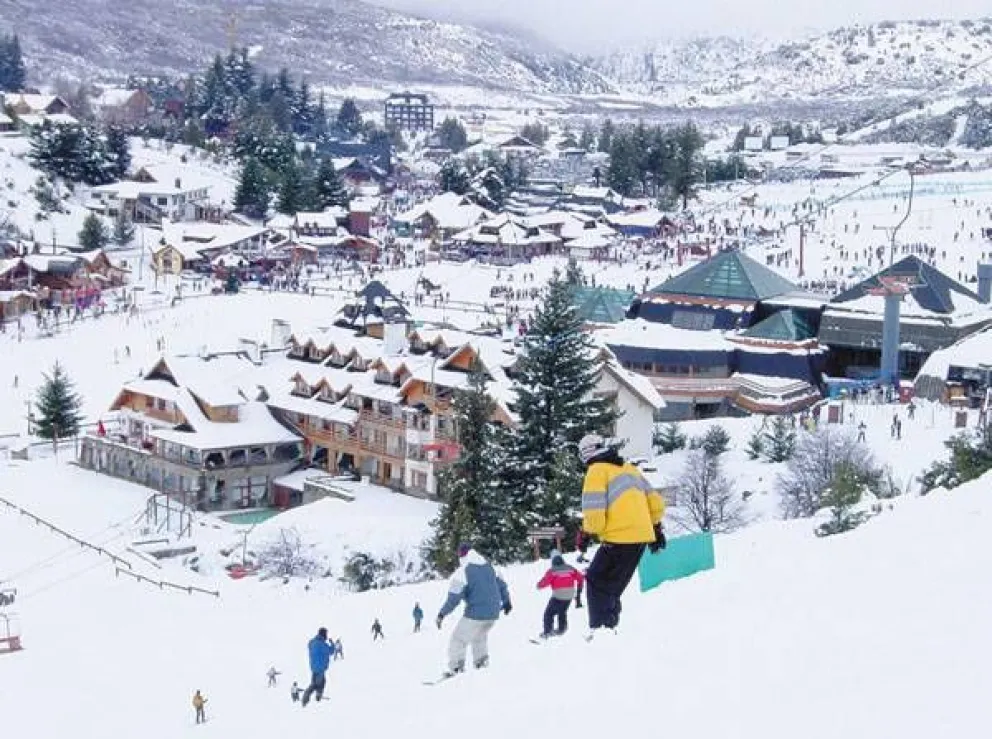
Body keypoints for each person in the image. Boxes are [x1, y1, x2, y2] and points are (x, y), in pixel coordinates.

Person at [578, 434, 665, 638]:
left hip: (619, 538)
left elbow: (594, 510)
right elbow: (656, 504)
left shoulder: (596, 470)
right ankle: (609, 629)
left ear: (585, 453)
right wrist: (656, 530)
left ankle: (601, 631)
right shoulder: (629, 469)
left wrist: (587, 532)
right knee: (612, 586)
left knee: (596, 580)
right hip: (640, 539)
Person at [436, 543, 511, 677]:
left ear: (461, 555)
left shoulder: (463, 571)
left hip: (476, 613)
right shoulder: (490, 566)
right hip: (493, 613)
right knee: (479, 637)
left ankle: (456, 667)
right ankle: (482, 663)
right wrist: (506, 601)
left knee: (458, 639)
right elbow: (502, 585)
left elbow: (453, 598)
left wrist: (442, 613)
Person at [537, 553, 584, 638]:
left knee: (549, 613)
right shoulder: (570, 568)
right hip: (570, 594)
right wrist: (579, 590)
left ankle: (547, 631)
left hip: (558, 595)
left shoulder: (552, 571)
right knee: (562, 611)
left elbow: (544, 582)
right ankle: (562, 628)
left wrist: (539, 585)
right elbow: (581, 578)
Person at [301, 627, 335, 706]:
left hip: (313, 667)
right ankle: (310, 696)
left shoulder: (312, 642)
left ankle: (316, 695)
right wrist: (332, 643)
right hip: (321, 668)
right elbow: (331, 651)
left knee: (316, 682)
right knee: (318, 684)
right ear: (324, 635)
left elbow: (309, 645)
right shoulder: (323, 645)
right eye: (326, 634)